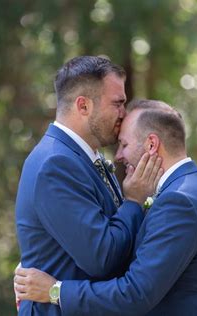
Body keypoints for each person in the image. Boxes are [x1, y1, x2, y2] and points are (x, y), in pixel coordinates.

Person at [14, 100, 197, 315]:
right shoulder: (185, 190)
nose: (118, 156)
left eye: (124, 145)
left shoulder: (179, 202)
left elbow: (135, 293)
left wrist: (55, 291)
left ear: (151, 144)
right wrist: (41, 258)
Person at [15, 58, 163, 315]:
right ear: (83, 105)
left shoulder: (82, 157)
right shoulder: (56, 164)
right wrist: (134, 201)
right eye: (117, 103)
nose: (124, 113)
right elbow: (101, 257)